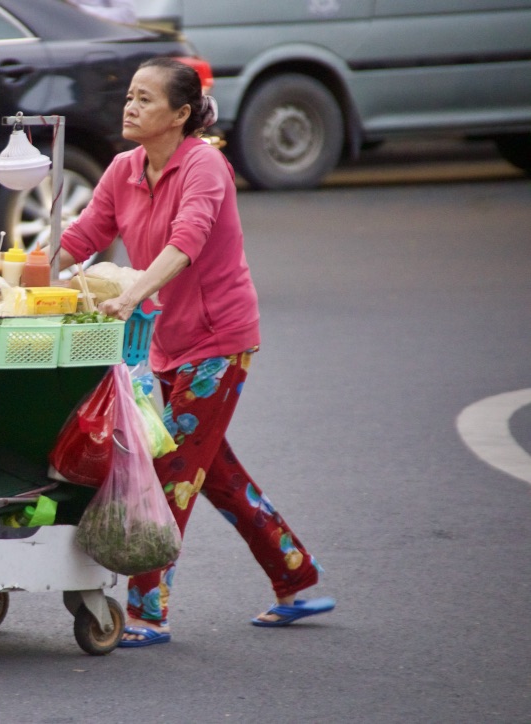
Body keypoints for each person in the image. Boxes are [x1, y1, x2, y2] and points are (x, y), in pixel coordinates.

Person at [58, 57, 335, 647]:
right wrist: (20, 274)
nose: (130, 108)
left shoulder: (204, 166)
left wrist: (132, 293)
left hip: (220, 343)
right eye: (129, 97)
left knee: (170, 472)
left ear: (181, 115)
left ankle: (147, 611)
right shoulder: (123, 169)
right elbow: (81, 239)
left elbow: (188, 240)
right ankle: (297, 579)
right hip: (168, 344)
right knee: (215, 472)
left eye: (145, 100)